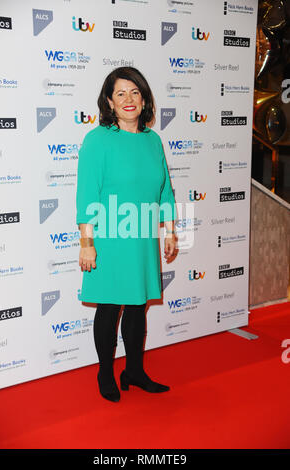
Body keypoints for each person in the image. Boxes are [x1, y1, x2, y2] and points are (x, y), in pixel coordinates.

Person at [76, 67, 177, 402]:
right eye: (120, 93)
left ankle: (133, 370)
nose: (128, 99)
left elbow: (165, 191)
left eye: (135, 92)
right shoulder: (98, 140)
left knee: (137, 308)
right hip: (109, 238)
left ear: (144, 97)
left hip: (142, 236)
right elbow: (87, 195)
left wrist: (171, 231)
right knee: (109, 308)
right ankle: (106, 372)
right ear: (109, 101)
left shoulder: (152, 140)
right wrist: (87, 243)